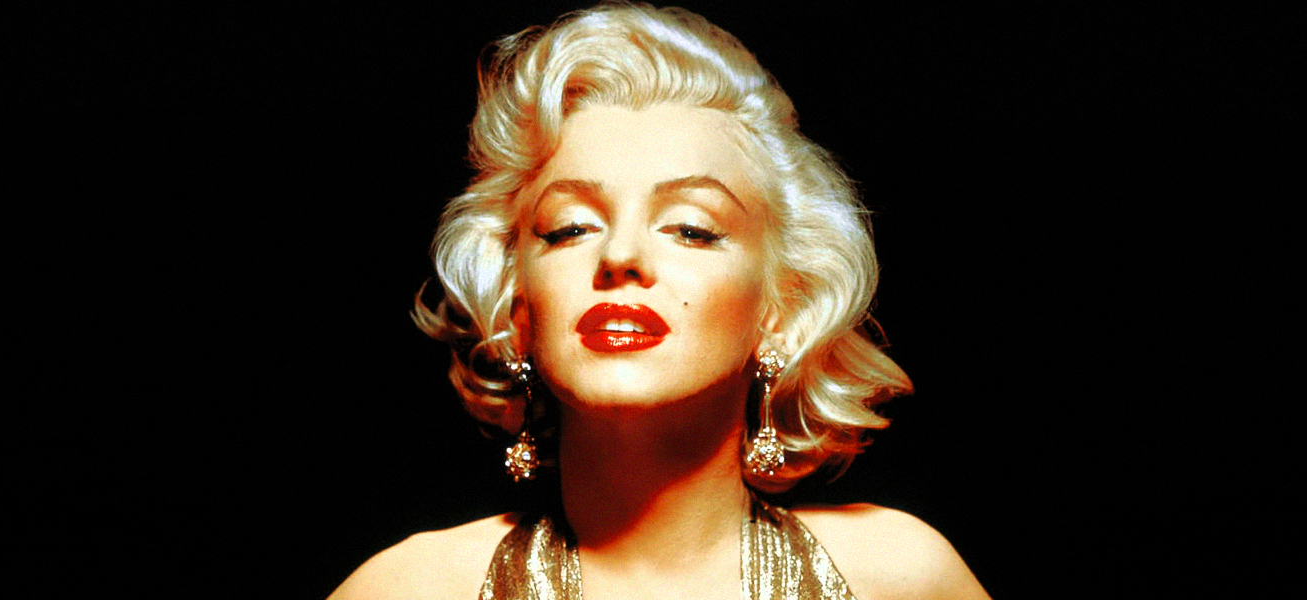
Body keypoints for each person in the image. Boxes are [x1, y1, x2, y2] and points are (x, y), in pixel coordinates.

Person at [331, 3, 987, 599]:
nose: (619, 255)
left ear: (782, 308)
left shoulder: (899, 576)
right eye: (569, 229)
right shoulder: (410, 587)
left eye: (691, 229)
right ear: (517, 307)